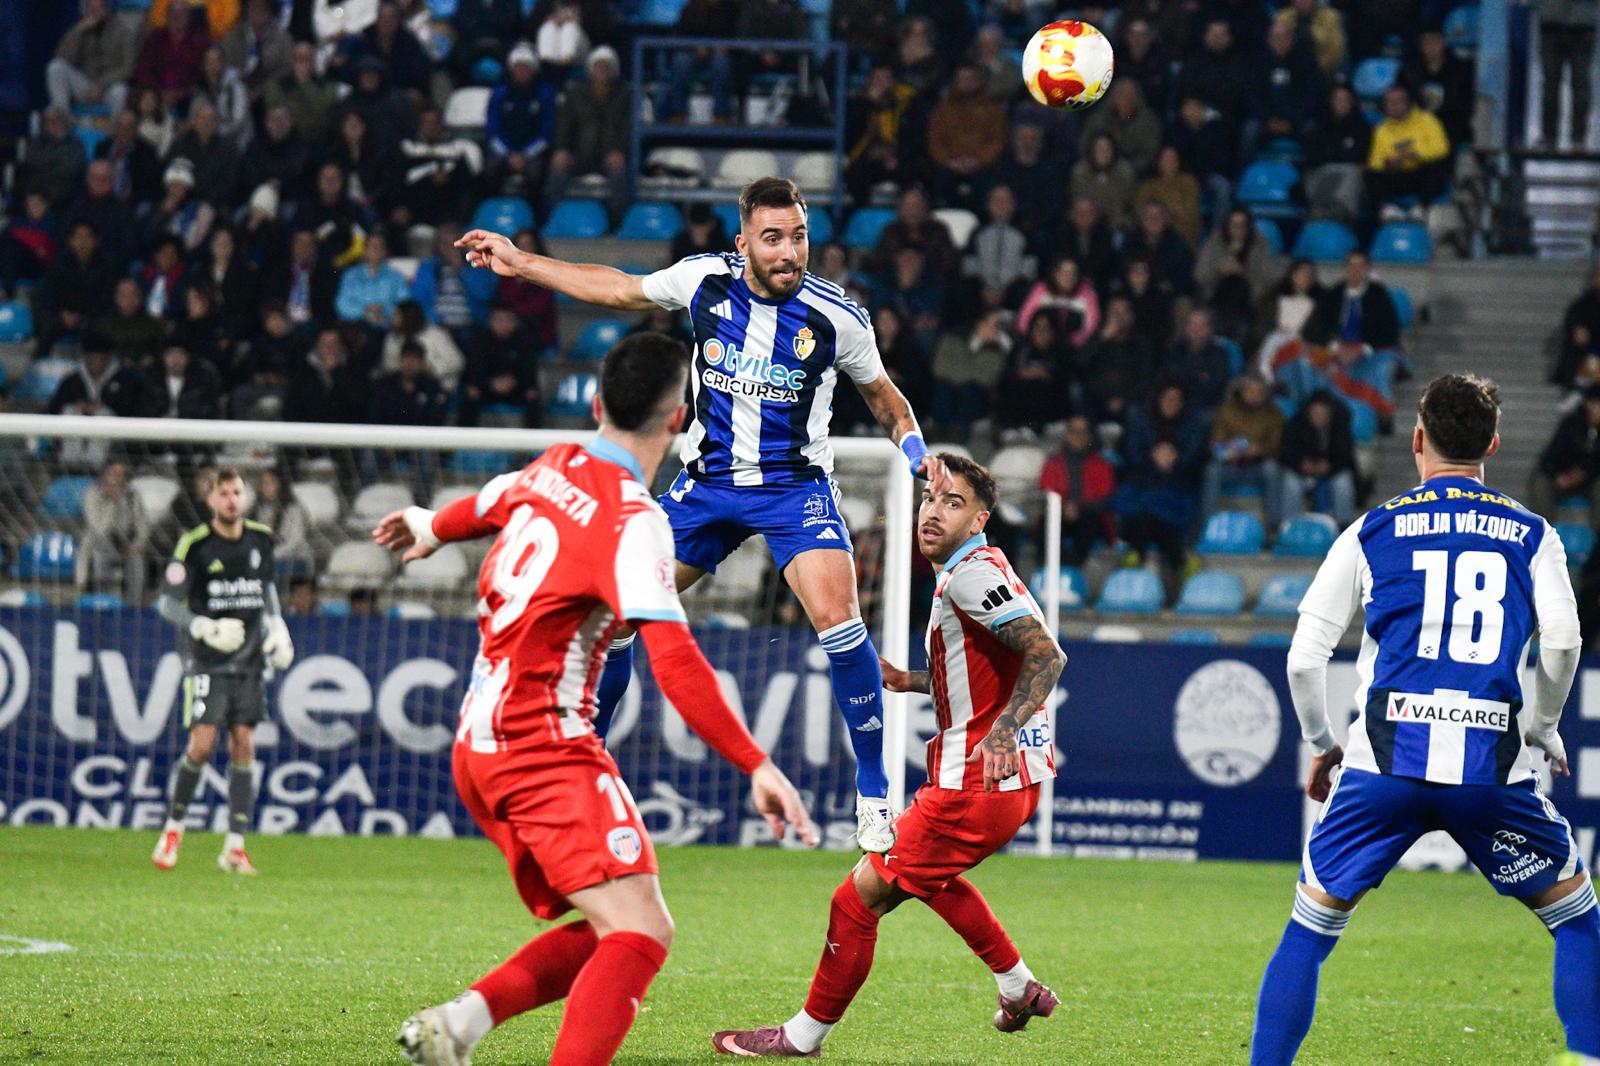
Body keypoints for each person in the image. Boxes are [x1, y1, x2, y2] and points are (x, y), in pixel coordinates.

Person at [456, 176, 953, 853]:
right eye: (773, 239)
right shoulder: (702, 283)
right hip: (707, 485)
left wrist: (919, 455)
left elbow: (889, 405)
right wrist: (521, 263)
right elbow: (617, 287)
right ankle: (583, 773)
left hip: (793, 488)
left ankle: (874, 795)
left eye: (799, 237)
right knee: (620, 614)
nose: (789, 252)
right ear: (742, 241)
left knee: (840, 623)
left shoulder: (839, 318)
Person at [375, 333, 817, 1066]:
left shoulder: (552, 466)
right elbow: (673, 658)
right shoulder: (632, 520)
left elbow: (481, 506)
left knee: (614, 925)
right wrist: (755, 764)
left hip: (478, 745)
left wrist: (427, 526)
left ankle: (460, 1026)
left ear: (594, 401)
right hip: (543, 746)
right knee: (643, 933)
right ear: (682, 419)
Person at [1249, 374, 1593, 1064]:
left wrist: (1323, 743)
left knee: (1310, 930)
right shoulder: (1533, 533)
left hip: (1381, 769)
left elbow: (1303, 658)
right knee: (1577, 922)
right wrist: (1545, 725)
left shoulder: (1372, 529)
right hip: (1489, 772)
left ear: (1417, 438)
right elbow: (1562, 640)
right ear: (1492, 444)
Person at [710, 455, 1062, 1057]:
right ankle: (1019, 986)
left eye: (953, 503)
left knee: (855, 901)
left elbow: (1046, 655)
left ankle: (801, 1037)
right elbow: (988, 668)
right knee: (930, 877)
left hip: (974, 784)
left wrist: (1001, 733)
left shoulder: (971, 576)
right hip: (1012, 783)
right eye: (931, 497)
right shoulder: (979, 567)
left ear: (979, 520)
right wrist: (912, 679)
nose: (933, 511)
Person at [151, 469, 295, 875]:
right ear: (211, 500)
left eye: (237, 492)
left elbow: (265, 590)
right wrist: (203, 626)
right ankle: (173, 830)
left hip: (248, 660)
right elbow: (167, 603)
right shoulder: (195, 545)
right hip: (206, 660)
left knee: (244, 742)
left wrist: (278, 627)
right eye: (223, 493)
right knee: (202, 743)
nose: (231, 499)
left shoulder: (261, 539)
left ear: (244, 497)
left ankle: (234, 846)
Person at [1201, 373, 1285, 529]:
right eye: (1250, 391)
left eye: (1259, 392)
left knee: (1273, 470)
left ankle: (1273, 527)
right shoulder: (1226, 410)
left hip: (1258, 466)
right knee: (1212, 470)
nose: (1254, 395)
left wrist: (1259, 450)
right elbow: (1215, 444)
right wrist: (1229, 450)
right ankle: (1208, 526)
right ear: (1242, 391)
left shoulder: (1274, 413)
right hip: (1231, 465)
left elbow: (1277, 446)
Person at [1038, 416, 1116, 564]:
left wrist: (1079, 507)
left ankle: (1075, 566)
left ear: (1089, 435)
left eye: (1083, 432)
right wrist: (1065, 508)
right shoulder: (1053, 462)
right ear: (1067, 434)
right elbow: (1045, 493)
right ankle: (1046, 567)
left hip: (1090, 515)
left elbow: (1106, 499)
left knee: (1089, 522)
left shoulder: (1102, 464)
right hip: (1060, 514)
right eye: (1074, 431)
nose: (1077, 436)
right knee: (1046, 523)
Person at [1366, 85, 1452, 216]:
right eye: (1390, 102)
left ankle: (1421, 207)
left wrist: (1415, 154)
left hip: (1420, 173)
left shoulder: (1427, 120)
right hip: (1397, 174)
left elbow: (1441, 148)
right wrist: (1388, 162)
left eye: (1398, 102)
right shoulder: (1381, 129)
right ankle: (1388, 209)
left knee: (1437, 167)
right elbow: (1374, 161)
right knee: (1371, 175)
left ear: (1408, 103)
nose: (1394, 106)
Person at [1279, 389, 1357, 526]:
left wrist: (1329, 466)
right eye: (1315, 413)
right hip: (1302, 473)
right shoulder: (1296, 425)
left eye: (1323, 414)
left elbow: (1346, 456)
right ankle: (1288, 526)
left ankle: (1344, 525)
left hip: (1332, 472)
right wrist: (1301, 464)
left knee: (1343, 482)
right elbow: (1286, 452)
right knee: (1291, 483)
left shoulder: (1340, 427)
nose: (1318, 417)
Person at [47, 0, 136, 118]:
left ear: (106, 9)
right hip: (84, 85)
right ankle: (63, 124)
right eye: (91, 8)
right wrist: (79, 31)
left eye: (99, 8)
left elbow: (128, 68)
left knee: (120, 91)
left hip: (109, 86)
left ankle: (114, 133)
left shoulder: (123, 31)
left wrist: (101, 85)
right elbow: (62, 56)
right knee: (55, 67)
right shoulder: (79, 29)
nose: (95, 13)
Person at [78, 459, 150, 604]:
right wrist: (113, 502)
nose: (117, 478)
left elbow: (143, 528)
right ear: (105, 475)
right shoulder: (93, 494)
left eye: (121, 474)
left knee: (136, 559)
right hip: (99, 543)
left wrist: (134, 548)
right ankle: (105, 600)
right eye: (113, 473)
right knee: (101, 550)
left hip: (126, 543)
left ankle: (133, 604)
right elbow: (98, 528)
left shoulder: (133, 496)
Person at [1528, 384, 1600, 522]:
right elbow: (1550, 456)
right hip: (1563, 478)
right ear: (1589, 404)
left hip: (1591, 480)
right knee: (1540, 483)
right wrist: (1558, 475)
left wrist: (1584, 472)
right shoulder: (1571, 425)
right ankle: (1544, 532)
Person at [1534, 0, 1595, 150]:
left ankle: (1578, 139)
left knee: (1580, 85)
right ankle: (1549, 137)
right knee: (1550, 86)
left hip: (1582, 26)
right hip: (1552, 24)